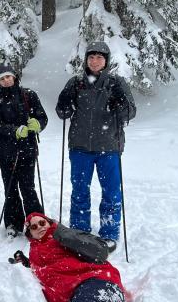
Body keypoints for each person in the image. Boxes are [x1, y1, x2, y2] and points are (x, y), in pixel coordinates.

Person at [55, 41, 136, 247]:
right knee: (80, 190)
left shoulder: (116, 83)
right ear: (86, 60)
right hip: (80, 147)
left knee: (110, 191)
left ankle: (109, 233)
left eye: (100, 57)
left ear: (106, 61)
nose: (95, 61)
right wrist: (64, 101)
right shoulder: (75, 83)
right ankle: (80, 230)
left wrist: (121, 104)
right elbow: (62, 113)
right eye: (91, 57)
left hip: (109, 147)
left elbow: (130, 112)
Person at [17, 212, 126, 302]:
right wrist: (27, 262)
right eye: (34, 226)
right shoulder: (34, 250)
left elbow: (101, 250)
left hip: (93, 282)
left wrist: (62, 233)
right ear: (29, 232)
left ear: (49, 222)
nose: (40, 227)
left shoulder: (63, 236)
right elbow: (49, 266)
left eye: (42, 223)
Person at [0, 64, 48, 236]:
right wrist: (14, 130)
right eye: (2, 78)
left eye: (8, 76)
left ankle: (36, 224)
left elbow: (42, 117)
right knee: (10, 188)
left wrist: (38, 124)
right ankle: (13, 224)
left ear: (14, 77)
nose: (6, 80)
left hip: (27, 149)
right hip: (4, 150)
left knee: (28, 187)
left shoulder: (28, 95)